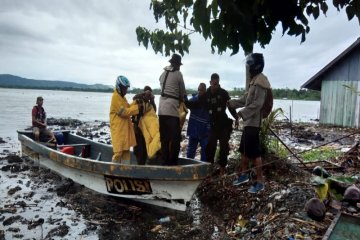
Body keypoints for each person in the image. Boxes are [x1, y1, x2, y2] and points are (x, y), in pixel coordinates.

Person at [230, 53, 271, 193]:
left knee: (255, 154)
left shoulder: (261, 82)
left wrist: (241, 113)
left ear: (255, 65)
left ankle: (260, 182)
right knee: (244, 151)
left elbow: (257, 104)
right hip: (248, 123)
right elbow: (245, 100)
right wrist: (231, 103)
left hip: (254, 124)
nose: (248, 67)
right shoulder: (254, 81)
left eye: (249, 65)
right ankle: (244, 175)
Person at [185, 73, 239, 175]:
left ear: (219, 83)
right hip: (213, 126)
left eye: (217, 84)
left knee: (224, 148)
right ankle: (209, 169)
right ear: (210, 82)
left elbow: (230, 107)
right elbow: (195, 104)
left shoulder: (223, 93)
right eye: (213, 84)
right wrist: (184, 99)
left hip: (223, 125)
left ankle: (222, 169)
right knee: (210, 147)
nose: (215, 86)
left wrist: (236, 117)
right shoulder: (206, 94)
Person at [158, 53, 186, 165]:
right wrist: (183, 99)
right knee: (175, 138)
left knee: (164, 138)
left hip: (161, 109)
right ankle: (173, 162)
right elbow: (182, 92)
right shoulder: (178, 74)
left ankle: (164, 161)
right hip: (172, 110)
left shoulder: (162, 74)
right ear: (177, 64)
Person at [109, 75, 141, 165]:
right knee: (118, 152)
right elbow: (123, 112)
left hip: (124, 130)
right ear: (119, 87)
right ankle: (113, 171)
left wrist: (136, 101)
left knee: (126, 152)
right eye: (124, 88)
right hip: (118, 131)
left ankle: (125, 171)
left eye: (126, 88)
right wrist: (137, 108)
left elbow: (128, 107)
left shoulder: (122, 97)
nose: (126, 90)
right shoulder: (115, 97)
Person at [132, 86, 161, 162]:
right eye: (147, 93)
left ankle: (145, 162)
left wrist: (152, 100)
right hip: (138, 130)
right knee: (139, 150)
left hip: (146, 131)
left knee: (145, 149)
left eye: (149, 94)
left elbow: (154, 111)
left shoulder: (149, 104)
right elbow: (134, 98)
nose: (148, 96)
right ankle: (139, 164)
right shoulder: (138, 100)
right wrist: (143, 95)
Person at [186, 83, 210, 161]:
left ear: (205, 90)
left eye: (202, 90)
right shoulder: (193, 100)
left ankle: (203, 169)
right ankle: (188, 167)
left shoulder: (208, 102)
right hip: (194, 130)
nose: (200, 92)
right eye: (199, 90)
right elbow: (185, 105)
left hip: (204, 132)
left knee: (205, 152)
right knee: (190, 152)